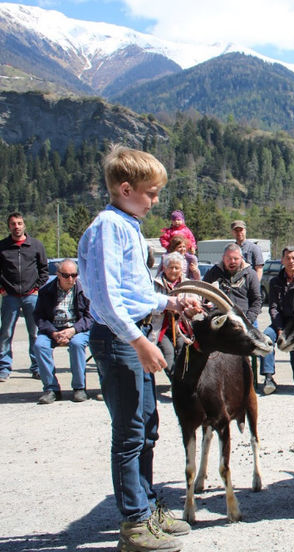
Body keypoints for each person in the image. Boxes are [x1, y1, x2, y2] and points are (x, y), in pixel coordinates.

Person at [78, 145, 198, 551]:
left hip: (132, 334)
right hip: (120, 340)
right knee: (129, 433)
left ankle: (147, 508)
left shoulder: (127, 225)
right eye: (151, 192)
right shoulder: (107, 228)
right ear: (125, 188)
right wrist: (139, 341)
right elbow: (107, 299)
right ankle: (134, 524)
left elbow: (136, 290)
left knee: (146, 425)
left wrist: (171, 302)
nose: (156, 200)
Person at [32, 259, 93, 404]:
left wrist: (73, 330)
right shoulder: (46, 291)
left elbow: (90, 317)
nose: (70, 279)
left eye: (74, 275)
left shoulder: (85, 290)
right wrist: (53, 333)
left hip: (77, 329)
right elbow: (39, 316)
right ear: (58, 274)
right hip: (53, 330)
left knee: (77, 344)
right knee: (40, 345)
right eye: (66, 275)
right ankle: (51, 389)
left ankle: (79, 388)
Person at [0, 212, 48, 382]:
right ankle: (4, 367)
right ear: (9, 226)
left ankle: (36, 367)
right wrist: (2, 290)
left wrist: (37, 288)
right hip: (10, 297)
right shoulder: (3, 246)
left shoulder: (35, 245)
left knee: (35, 333)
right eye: (13, 224)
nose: (17, 226)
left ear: (24, 225)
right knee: (6, 332)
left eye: (19, 223)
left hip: (31, 296)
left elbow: (44, 269)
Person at [260, 246, 294, 395]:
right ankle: (269, 377)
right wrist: (279, 328)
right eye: (288, 258)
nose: (291, 261)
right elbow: (273, 308)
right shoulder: (275, 282)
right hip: (279, 322)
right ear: (282, 260)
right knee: (266, 339)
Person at [150, 252, 192, 375]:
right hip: (162, 328)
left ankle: (181, 384)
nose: (173, 271)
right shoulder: (155, 284)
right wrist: (166, 307)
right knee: (168, 359)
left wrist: (187, 309)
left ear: (181, 269)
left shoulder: (188, 284)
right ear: (164, 268)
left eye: (177, 268)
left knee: (183, 357)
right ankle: (175, 382)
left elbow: (194, 305)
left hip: (182, 328)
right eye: (170, 267)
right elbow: (149, 306)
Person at [203, 243, 261, 326]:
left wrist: (248, 320)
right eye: (229, 258)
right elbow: (204, 297)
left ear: (241, 258)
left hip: (244, 320)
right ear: (223, 258)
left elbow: (257, 301)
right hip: (219, 320)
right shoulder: (213, 273)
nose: (232, 261)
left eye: (236, 258)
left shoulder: (250, 274)